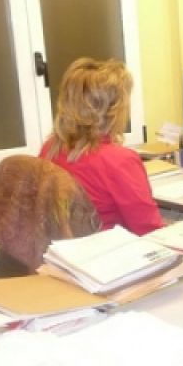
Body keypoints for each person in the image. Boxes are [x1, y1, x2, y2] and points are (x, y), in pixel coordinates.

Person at [40, 58, 163, 236]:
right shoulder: (119, 160)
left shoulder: (50, 149)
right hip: (109, 255)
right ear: (114, 110)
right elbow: (149, 229)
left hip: (67, 255)